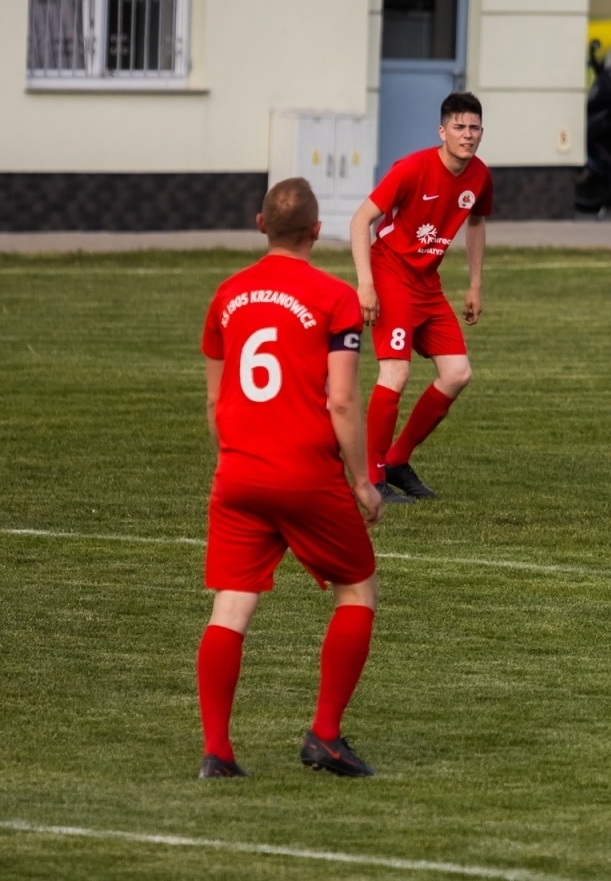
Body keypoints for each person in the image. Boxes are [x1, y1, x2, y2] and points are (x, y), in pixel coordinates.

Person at [197, 177, 383, 779]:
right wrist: (362, 480)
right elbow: (344, 400)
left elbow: (213, 403)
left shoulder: (226, 295)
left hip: (237, 472)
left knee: (232, 605)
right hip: (305, 473)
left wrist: (235, 461)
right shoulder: (334, 297)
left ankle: (217, 754)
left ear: (259, 225)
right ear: (315, 231)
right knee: (357, 589)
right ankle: (325, 736)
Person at [349, 92, 493, 503]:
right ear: (442, 131)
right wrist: (366, 284)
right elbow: (362, 220)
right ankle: (373, 477)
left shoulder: (480, 175)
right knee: (395, 374)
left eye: (475, 128)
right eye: (460, 127)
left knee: (458, 374)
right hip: (391, 275)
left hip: (428, 284)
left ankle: (397, 460)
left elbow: (477, 222)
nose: (468, 135)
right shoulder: (412, 168)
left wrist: (475, 284)